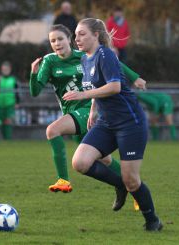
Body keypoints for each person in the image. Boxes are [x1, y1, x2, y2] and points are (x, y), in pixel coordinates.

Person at [30, 24, 145, 211]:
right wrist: (33, 73)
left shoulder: (84, 56)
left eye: (60, 39)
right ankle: (132, 189)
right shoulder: (49, 62)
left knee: (52, 130)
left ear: (69, 40)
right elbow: (35, 92)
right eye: (52, 41)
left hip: (88, 108)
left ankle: (63, 180)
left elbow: (115, 63)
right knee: (104, 159)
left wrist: (135, 77)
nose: (57, 43)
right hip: (70, 114)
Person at [63, 18, 162, 231]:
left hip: (129, 123)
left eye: (82, 34)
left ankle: (153, 220)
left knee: (132, 180)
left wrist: (84, 94)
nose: (76, 38)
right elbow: (95, 86)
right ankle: (119, 185)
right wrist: (92, 109)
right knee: (80, 162)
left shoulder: (105, 54)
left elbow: (115, 86)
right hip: (106, 123)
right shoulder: (85, 60)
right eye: (76, 34)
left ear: (96, 35)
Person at [0, 61, 20, 140]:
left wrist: (17, 102)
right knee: (0, 121)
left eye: (6, 69)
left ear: (10, 69)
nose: (5, 71)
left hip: (10, 103)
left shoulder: (13, 80)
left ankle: (8, 138)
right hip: (0, 103)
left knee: (7, 121)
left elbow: (17, 92)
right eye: (3, 69)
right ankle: (3, 138)